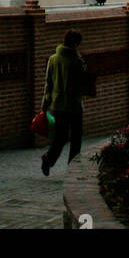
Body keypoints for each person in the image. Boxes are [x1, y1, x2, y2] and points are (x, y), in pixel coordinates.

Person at [39, 29, 87, 176]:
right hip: (74, 105)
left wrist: (45, 104)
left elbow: (48, 84)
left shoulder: (53, 59)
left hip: (57, 104)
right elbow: (83, 84)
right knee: (76, 138)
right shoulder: (77, 62)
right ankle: (72, 168)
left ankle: (48, 160)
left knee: (60, 137)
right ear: (76, 44)